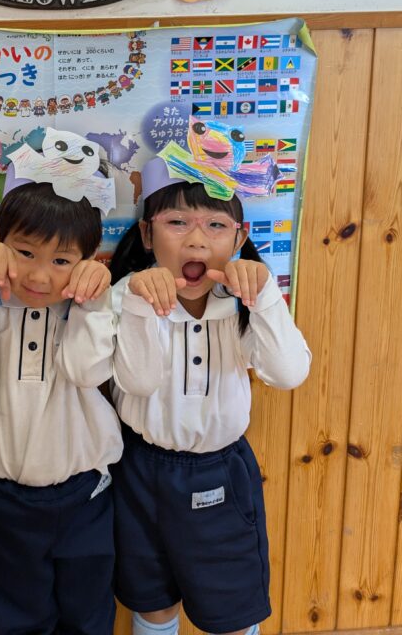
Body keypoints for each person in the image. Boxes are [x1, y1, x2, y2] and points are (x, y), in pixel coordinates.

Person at [0, 128, 160, 635]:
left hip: (86, 492)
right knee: (14, 615)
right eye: (25, 252)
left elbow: (85, 371)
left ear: (86, 259)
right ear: (0, 237)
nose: (40, 277)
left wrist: (93, 301)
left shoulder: (94, 306)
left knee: (87, 614)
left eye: (62, 261)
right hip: (4, 494)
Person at [108, 143, 311, 635]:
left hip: (220, 471)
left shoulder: (242, 302)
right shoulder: (124, 297)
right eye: (178, 223)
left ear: (239, 237)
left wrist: (264, 296)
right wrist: (139, 304)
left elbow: (288, 374)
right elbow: (138, 381)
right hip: (138, 468)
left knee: (231, 610)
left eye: (216, 226)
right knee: (151, 600)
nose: (197, 242)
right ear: (147, 233)